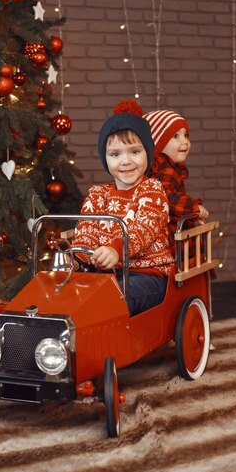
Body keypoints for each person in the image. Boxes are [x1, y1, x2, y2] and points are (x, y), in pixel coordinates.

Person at [73, 107, 175, 317]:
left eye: (135, 152)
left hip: (147, 275)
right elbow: (86, 232)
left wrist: (115, 249)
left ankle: (107, 345)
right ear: (106, 158)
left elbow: (144, 230)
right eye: (115, 154)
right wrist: (76, 257)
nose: (126, 161)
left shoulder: (152, 190)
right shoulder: (97, 194)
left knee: (114, 296)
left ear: (148, 152)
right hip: (105, 275)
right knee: (73, 294)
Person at [143, 109, 209, 237]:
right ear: (157, 143)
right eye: (175, 136)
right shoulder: (166, 168)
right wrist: (193, 208)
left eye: (186, 135)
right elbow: (164, 196)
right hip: (170, 235)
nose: (185, 142)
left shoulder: (162, 166)